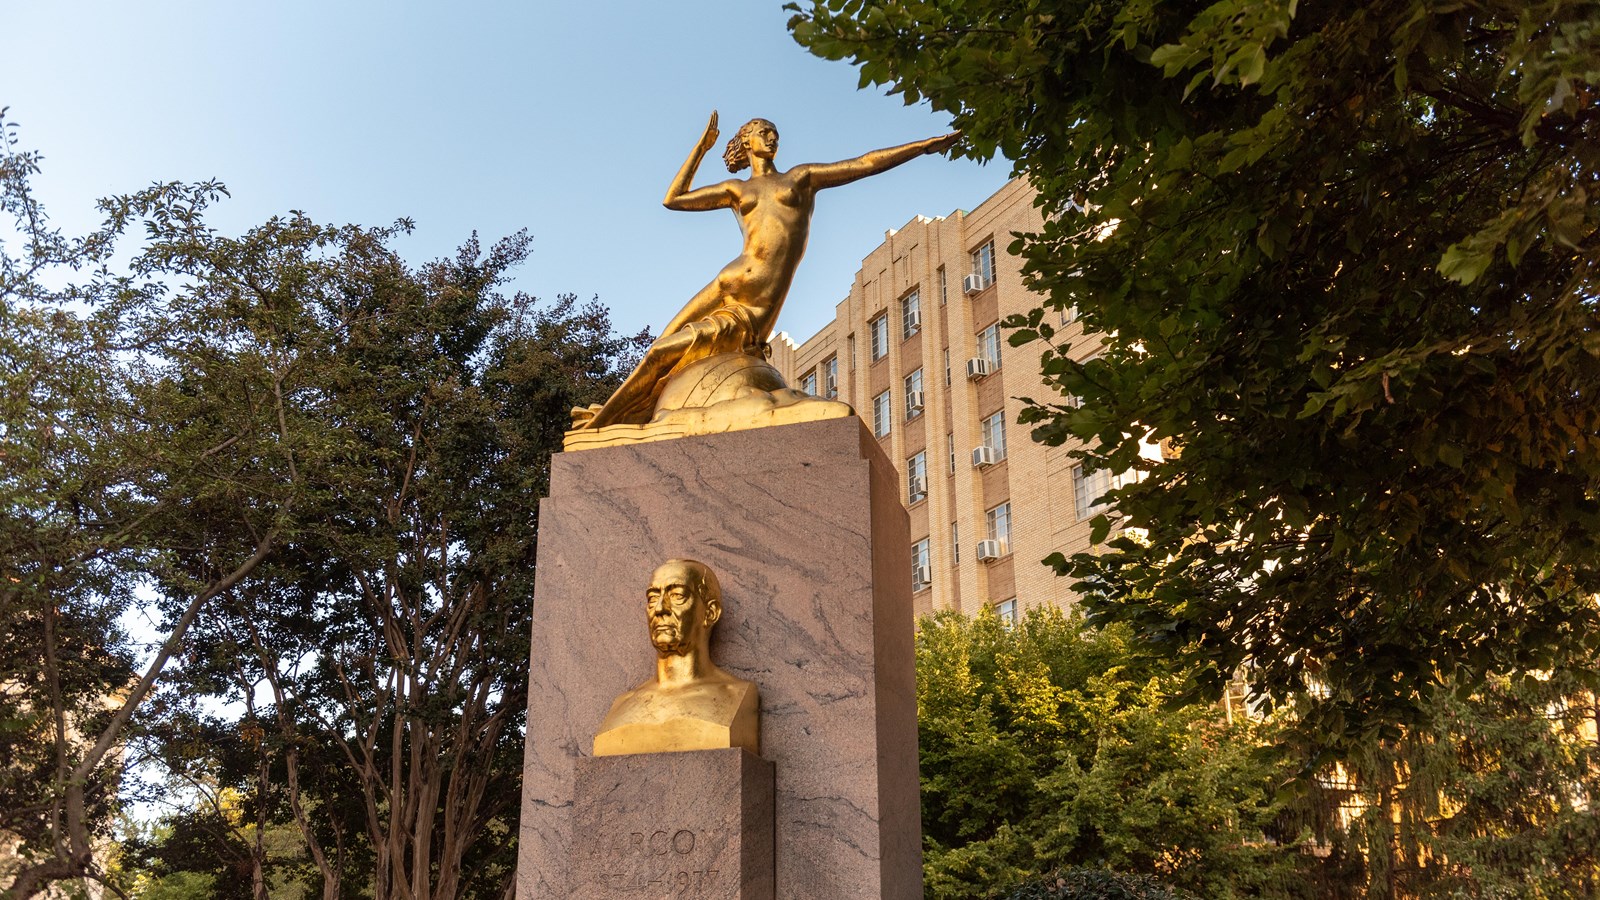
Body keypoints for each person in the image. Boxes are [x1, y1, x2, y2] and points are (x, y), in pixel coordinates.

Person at [571, 112, 962, 430]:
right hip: (729, 281)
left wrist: (925, 146)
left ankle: (604, 422)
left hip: (751, 309)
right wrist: (701, 148)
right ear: (746, 143)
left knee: (664, 353)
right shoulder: (736, 190)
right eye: (761, 132)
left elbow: (863, 163)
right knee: (657, 351)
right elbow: (673, 199)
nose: (771, 137)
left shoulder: (800, 178)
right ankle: (601, 423)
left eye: (773, 131)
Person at [592, 559, 760, 756]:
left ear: (710, 613)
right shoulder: (622, 706)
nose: (660, 608)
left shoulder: (735, 697)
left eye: (677, 595)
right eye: (653, 598)